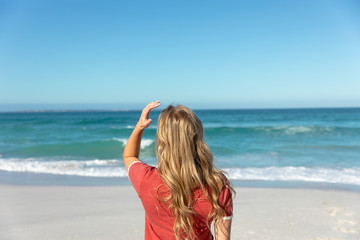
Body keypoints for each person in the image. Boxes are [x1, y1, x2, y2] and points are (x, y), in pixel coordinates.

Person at [123, 101, 235, 240]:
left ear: (162, 141)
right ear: (198, 138)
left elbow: (129, 156)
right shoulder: (217, 186)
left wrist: (139, 127)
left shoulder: (146, 179)